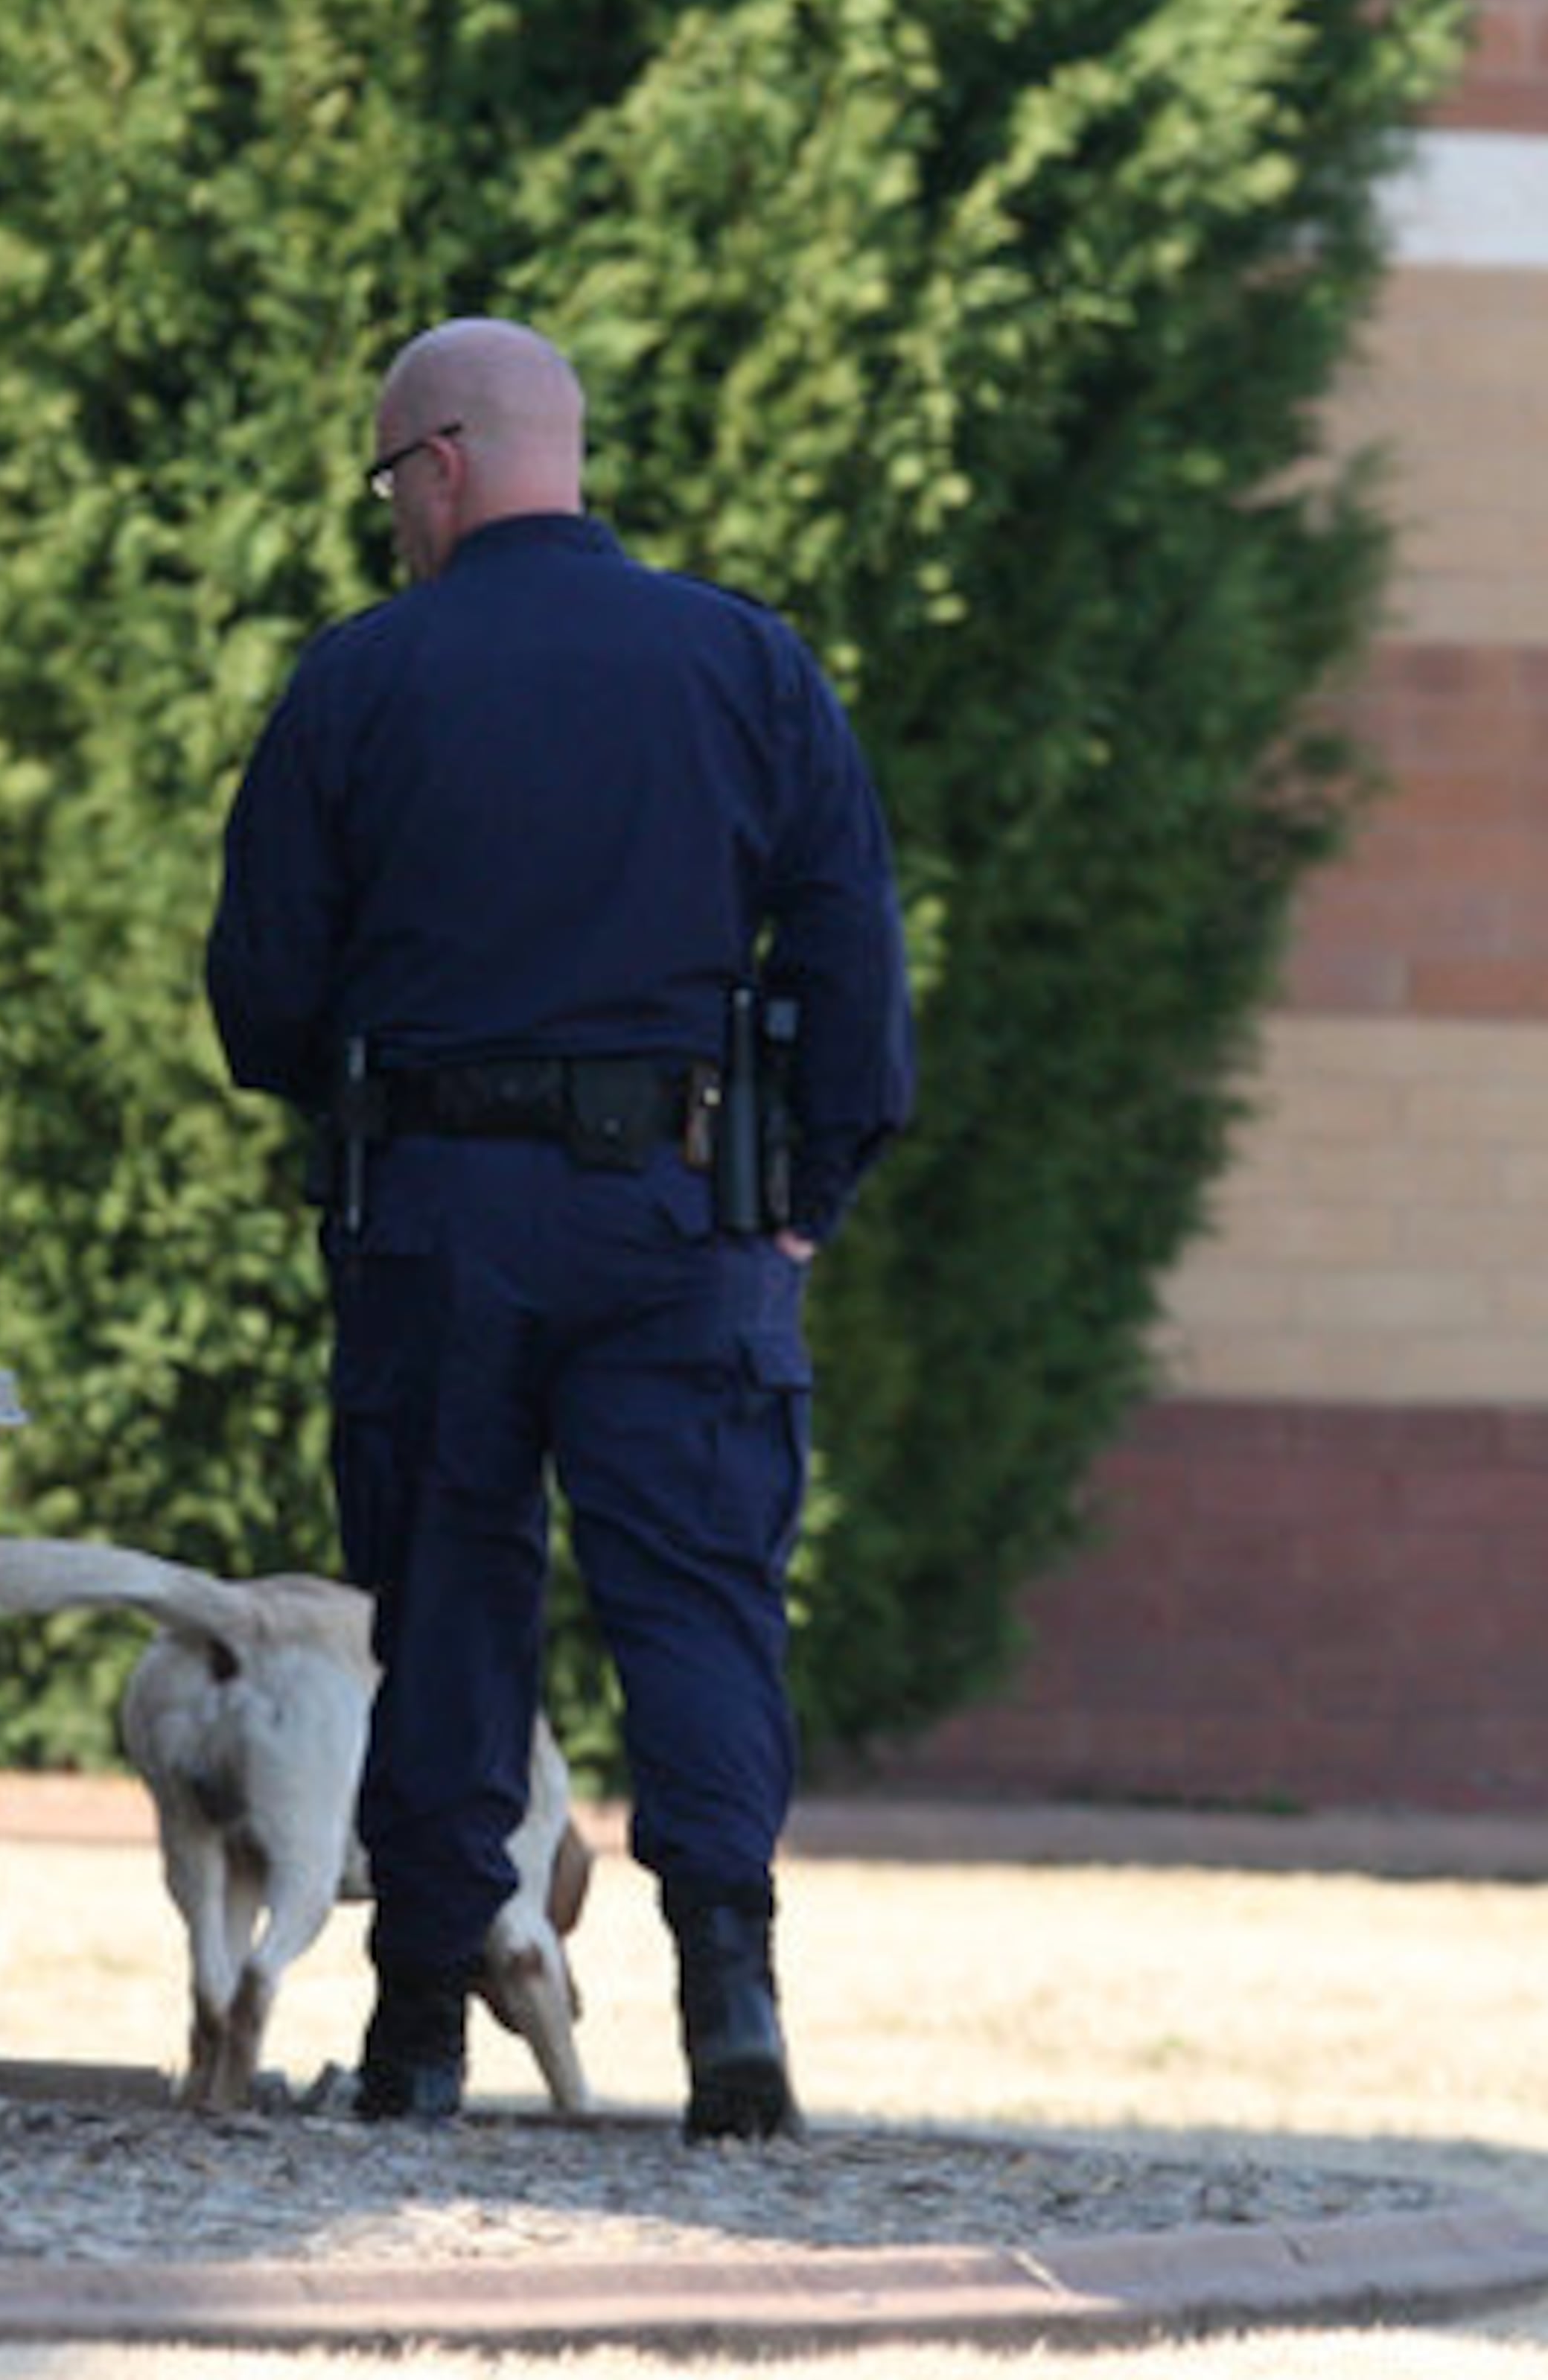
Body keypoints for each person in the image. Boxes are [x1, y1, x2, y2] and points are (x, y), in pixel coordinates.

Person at [205, 318, 914, 2140]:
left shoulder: (360, 681)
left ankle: (423, 2031)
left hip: (438, 1209)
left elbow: (264, 1002)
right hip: (687, 1214)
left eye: (387, 484)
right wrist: (797, 1212)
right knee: (698, 1604)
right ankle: (733, 1999)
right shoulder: (748, 665)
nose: (387, 521)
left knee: (444, 1607)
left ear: (439, 460)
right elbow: (852, 971)